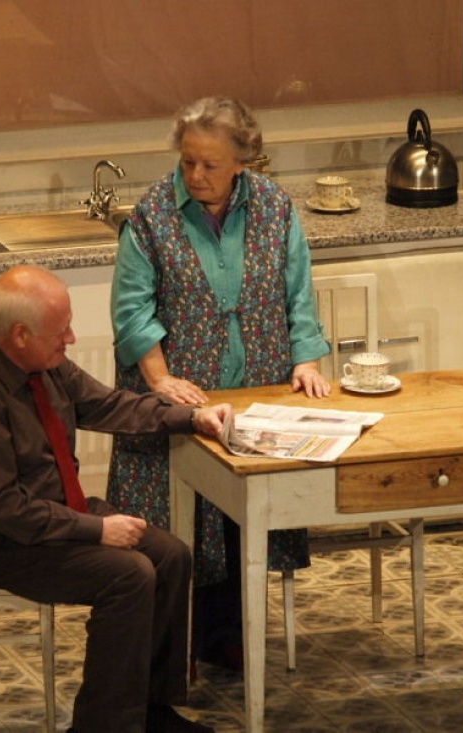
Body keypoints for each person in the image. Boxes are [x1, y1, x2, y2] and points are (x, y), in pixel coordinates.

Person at [0, 265, 230, 733]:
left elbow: (109, 405)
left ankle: (150, 710)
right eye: (61, 329)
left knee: (171, 556)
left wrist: (191, 417)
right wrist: (98, 530)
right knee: (128, 576)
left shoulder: (44, 363)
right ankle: (104, 725)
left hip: (54, 511)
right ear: (20, 334)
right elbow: (5, 509)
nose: (72, 337)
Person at [106, 96, 332, 674]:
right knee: (184, 519)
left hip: (258, 387)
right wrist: (160, 379)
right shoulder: (152, 215)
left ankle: (229, 635)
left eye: (208, 164)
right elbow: (133, 310)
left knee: (240, 515)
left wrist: (305, 358)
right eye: (187, 163)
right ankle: (174, 646)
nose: (195, 176)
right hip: (185, 396)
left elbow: (297, 290)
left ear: (242, 162)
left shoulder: (275, 207)